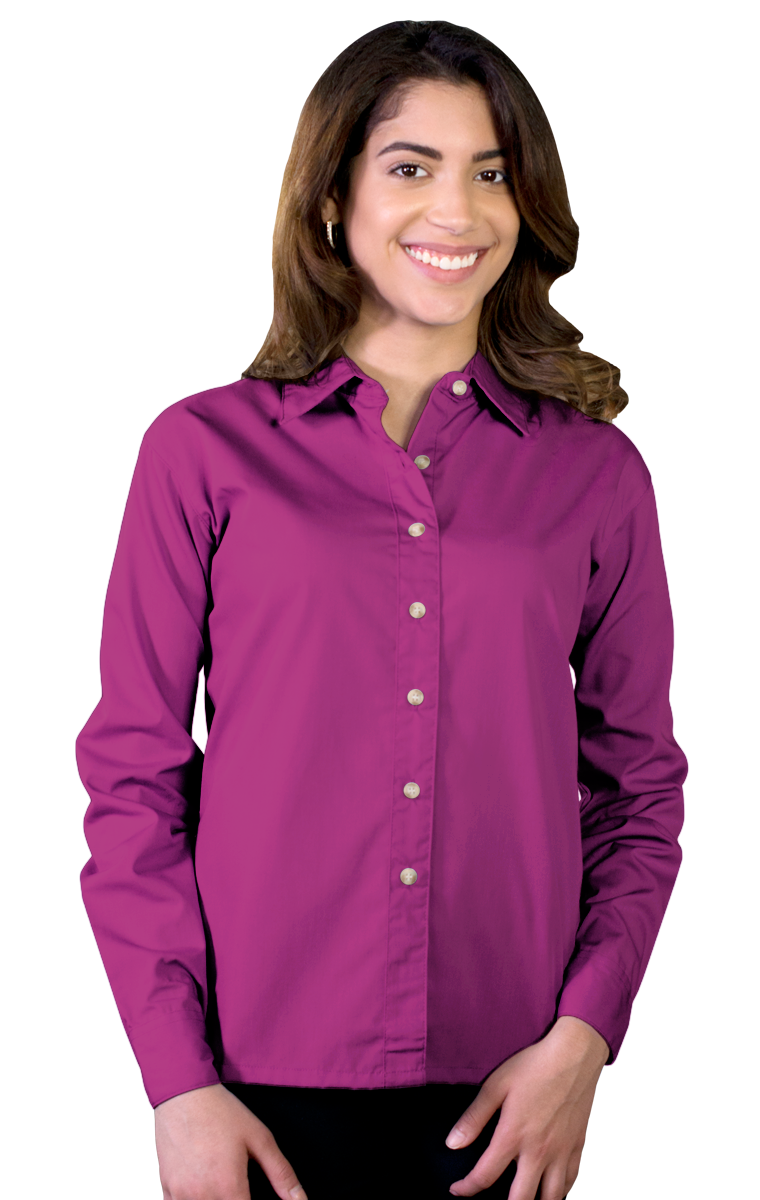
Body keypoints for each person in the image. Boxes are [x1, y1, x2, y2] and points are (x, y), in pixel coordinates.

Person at [75, 18, 688, 1200]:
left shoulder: (596, 474)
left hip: (509, 1094)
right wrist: (177, 1083)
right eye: (411, 166)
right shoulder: (199, 453)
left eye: (492, 173)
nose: (456, 211)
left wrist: (583, 1040)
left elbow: (637, 786)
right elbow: (132, 774)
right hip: (251, 1090)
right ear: (330, 198)